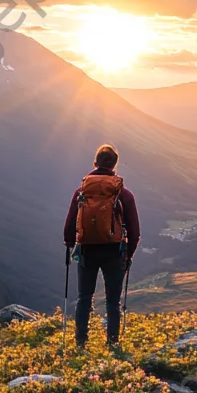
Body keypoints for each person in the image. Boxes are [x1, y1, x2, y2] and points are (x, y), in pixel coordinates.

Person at [63, 143, 141, 348]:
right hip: (115, 252)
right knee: (112, 301)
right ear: (115, 165)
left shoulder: (82, 191)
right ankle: (112, 343)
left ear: (95, 162)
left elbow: (70, 222)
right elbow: (135, 231)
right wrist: (128, 255)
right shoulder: (123, 194)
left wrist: (70, 244)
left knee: (84, 297)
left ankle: (80, 342)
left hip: (87, 249)